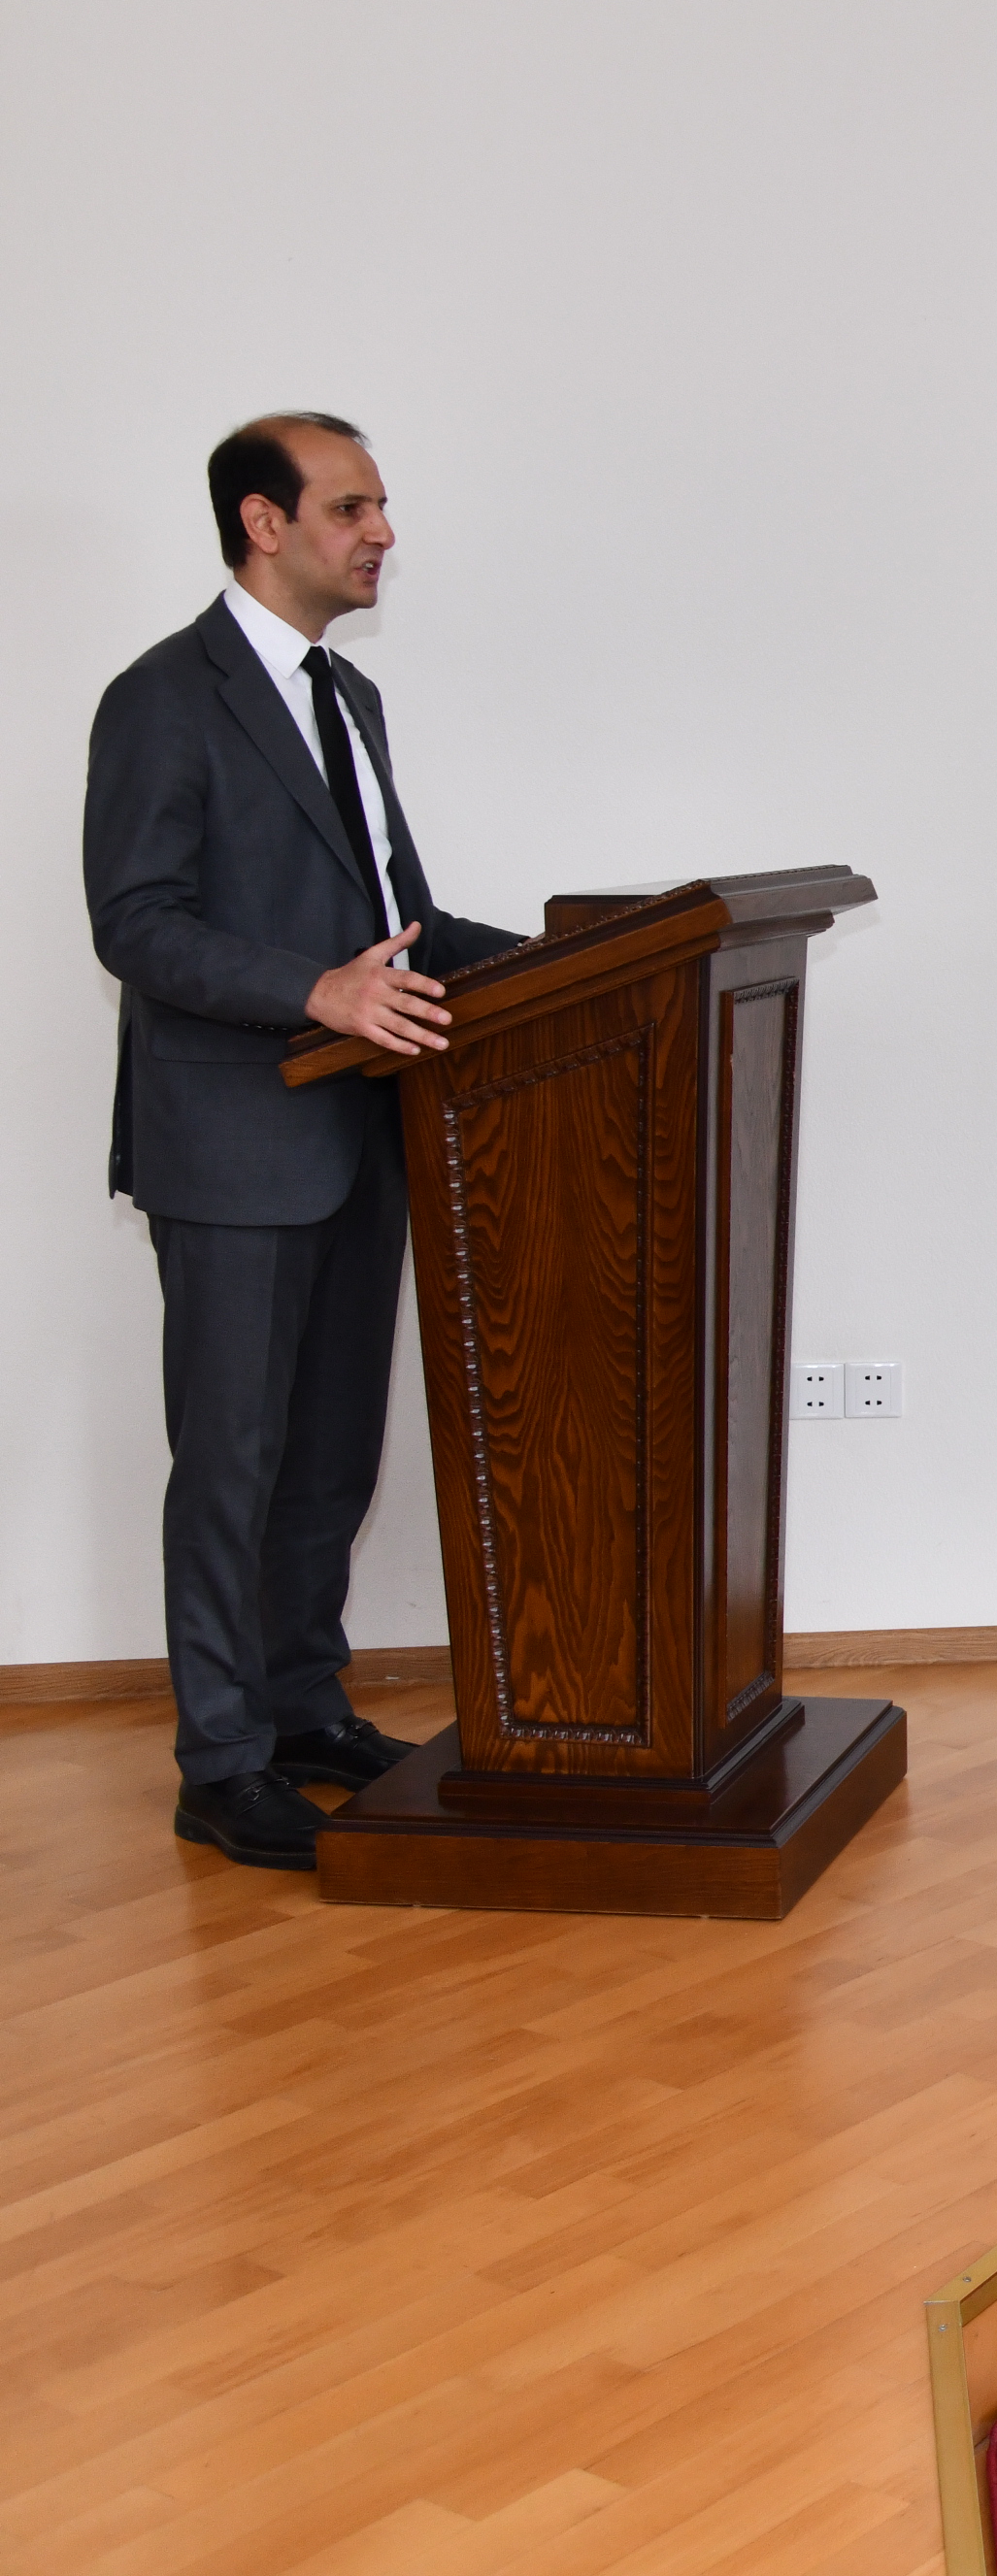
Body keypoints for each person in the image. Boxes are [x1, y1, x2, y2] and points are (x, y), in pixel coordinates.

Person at [83, 415, 524, 1876]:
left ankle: (301, 1706)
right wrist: (314, 991)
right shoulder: (163, 698)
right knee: (233, 1460)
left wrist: (585, 948)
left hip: (363, 1132)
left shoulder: (352, 699)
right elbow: (137, 923)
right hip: (231, 1145)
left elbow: (399, 921)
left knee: (331, 1453)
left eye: (383, 505)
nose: (382, 532)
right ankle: (221, 1763)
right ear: (263, 524)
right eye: (351, 507)